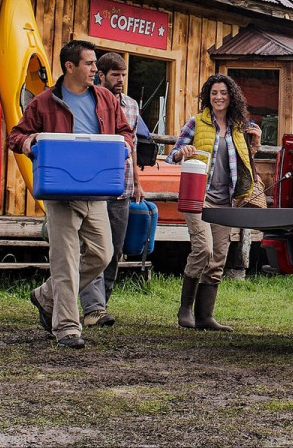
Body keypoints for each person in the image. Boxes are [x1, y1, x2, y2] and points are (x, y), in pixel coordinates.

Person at [9, 39, 134, 349]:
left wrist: (125, 147)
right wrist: (31, 142)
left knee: (103, 254)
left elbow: (124, 131)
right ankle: (66, 327)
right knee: (64, 260)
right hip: (60, 189)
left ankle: (47, 295)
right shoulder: (44, 102)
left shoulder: (105, 98)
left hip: (96, 187)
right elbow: (16, 135)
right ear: (70, 67)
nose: (95, 69)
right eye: (90, 64)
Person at [167, 73, 261, 331]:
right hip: (198, 197)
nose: (218, 97)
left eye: (223, 93)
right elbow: (171, 155)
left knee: (218, 257)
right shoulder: (196, 123)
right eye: (214, 93)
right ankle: (185, 309)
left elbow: (242, 162)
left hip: (226, 200)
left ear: (231, 97)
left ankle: (205, 317)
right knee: (204, 249)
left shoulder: (238, 127)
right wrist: (181, 154)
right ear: (208, 97)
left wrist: (253, 148)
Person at [78, 53, 144, 327]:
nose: (120, 80)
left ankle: (101, 304)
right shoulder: (89, 101)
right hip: (94, 187)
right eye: (115, 75)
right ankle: (93, 307)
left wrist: (138, 182)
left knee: (115, 249)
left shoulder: (131, 106)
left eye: (124, 75)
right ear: (101, 75)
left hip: (123, 185)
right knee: (93, 247)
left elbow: (134, 146)